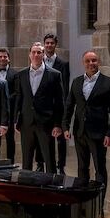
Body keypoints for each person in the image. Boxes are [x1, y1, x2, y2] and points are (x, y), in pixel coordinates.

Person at [62, 50, 110, 208]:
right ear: (83, 63)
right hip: (80, 132)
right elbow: (69, 106)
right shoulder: (76, 82)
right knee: (82, 168)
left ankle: (98, 205)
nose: (91, 64)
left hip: (99, 134)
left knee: (100, 169)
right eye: (88, 61)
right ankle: (83, 202)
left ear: (98, 62)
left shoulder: (108, 82)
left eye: (94, 60)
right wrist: (65, 126)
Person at [15, 42, 64, 173]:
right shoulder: (21, 74)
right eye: (34, 52)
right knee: (26, 160)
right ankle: (27, 187)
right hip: (26, 123)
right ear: (29, 55)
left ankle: (51, 188)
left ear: (43, 54)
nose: (36, 55)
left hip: (46, 123)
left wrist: (58, 124)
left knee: (49, 159)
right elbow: (19, 99)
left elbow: (59, 102)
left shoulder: (54, 74)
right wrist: (16, 120)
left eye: (39, 52)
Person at [43, 34, 70, 174]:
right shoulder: (38, 61)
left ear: (55, 45)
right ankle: (41, 164)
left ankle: (61, 166)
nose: (49, 45)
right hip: (44, 108)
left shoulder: (63, 64)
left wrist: (64, 108)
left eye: (51, 43)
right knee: (43, 138)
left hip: (58, 106)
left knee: (60, 139)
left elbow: (65, 87)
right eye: (46, 43)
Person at [0, 47, 18, 161]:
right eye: (0, 57)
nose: (2, 58)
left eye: (5, 56)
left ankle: (10, 161)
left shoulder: (15, 73)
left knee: (10, 138)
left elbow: (17, 92)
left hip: (10, 111)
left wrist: (5, 99)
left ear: (9, 59)